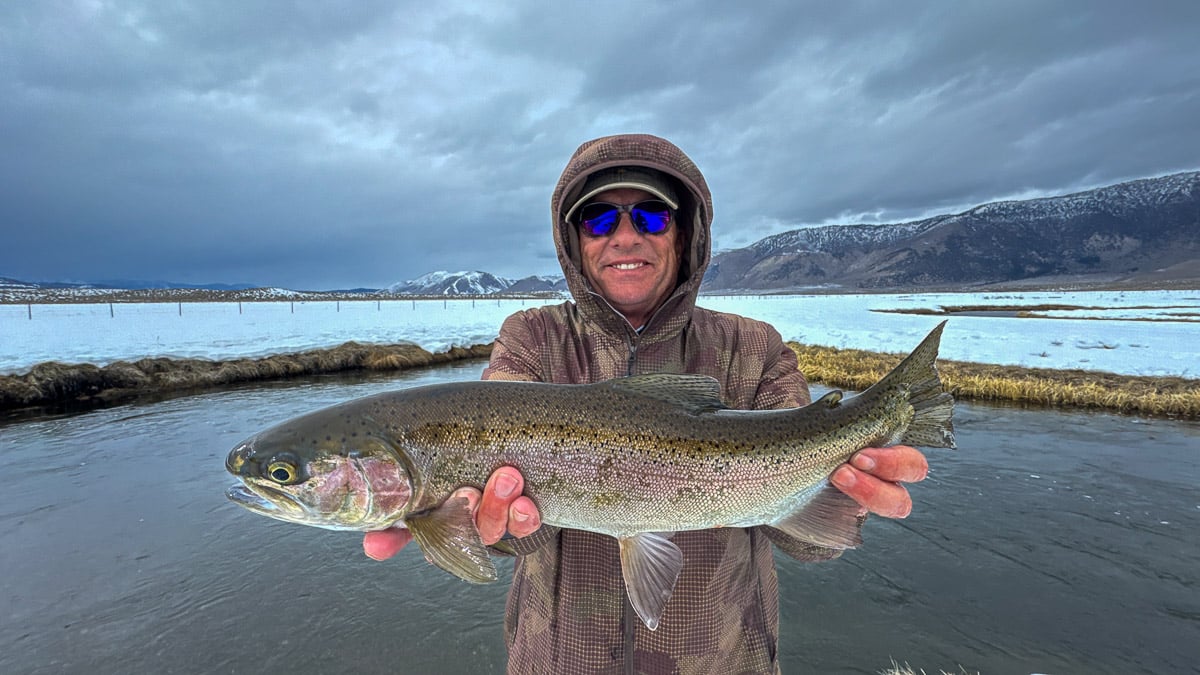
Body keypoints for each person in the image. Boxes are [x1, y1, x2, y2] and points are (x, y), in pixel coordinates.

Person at [364, 134, 929, 674]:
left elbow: (802, 539)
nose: (625, 237)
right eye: (600, 218)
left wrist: (851, 491)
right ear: (574, 240)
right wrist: (483, 526)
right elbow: (523, 532)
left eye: (651, 216)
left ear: (685, 234)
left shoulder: (754, 348)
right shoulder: (531, 340)